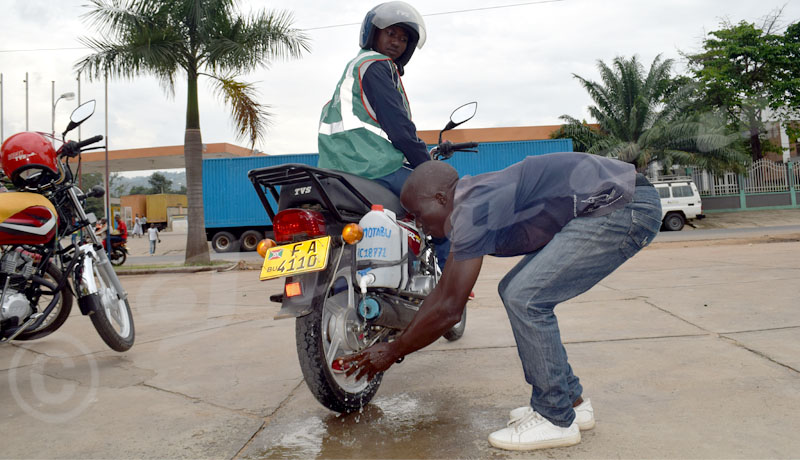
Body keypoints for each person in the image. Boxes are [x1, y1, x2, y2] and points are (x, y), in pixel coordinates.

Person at [340, 152, 662, 451]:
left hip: (625, 205)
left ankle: (554, 417)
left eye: (419, 214)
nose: (420, 224)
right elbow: (443, 293)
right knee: (515, 290)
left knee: (526, 297)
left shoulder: (471, 208)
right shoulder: (473, 201)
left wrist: (394, 350)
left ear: (440, 199)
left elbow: (450, 309)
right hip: (617, 203)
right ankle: (572, 404)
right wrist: (397, 341)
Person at [317, 2, 450, 269]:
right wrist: (427, 166)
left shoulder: (352, 70)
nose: (397, 43)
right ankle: (451, 290)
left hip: (336, 170)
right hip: (373, 166)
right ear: (373, 34)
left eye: (403, 39)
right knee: (446, 204)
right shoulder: (375, 65)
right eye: (390, 34)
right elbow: (399, 129)